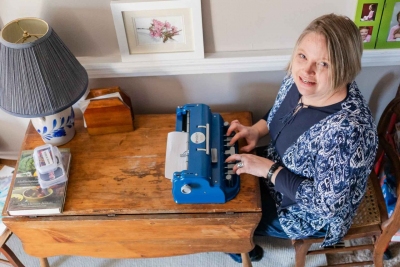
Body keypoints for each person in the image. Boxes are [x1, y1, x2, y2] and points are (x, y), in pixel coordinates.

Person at [225, 13, 378, 263]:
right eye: (303, 56)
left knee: (227, 215)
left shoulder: (348, 132)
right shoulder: (300, 81)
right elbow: (280, 111)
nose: (306, 70)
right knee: (222, 176)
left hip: (304, 213)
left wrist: (269, 170)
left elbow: (326, 205)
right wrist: (257, 130)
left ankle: (240, 244)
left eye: (324, 64)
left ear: (345, 70)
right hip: (278, 169)